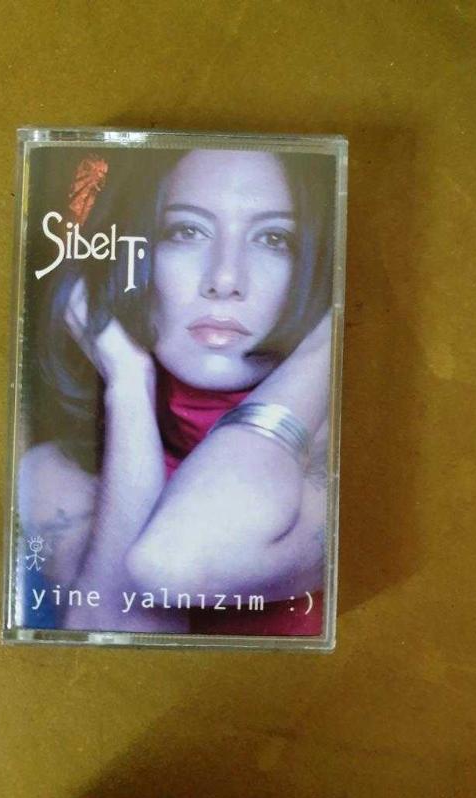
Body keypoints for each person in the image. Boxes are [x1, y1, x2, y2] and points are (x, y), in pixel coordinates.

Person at [18, 146, 334, 635]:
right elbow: (117, 630)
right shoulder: (54, 475)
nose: (224, 280)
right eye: (186, 231)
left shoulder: (336, 467)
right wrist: (128, 383)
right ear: (127, 257)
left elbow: (175, 558)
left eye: (275, 239)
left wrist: (328, 341)